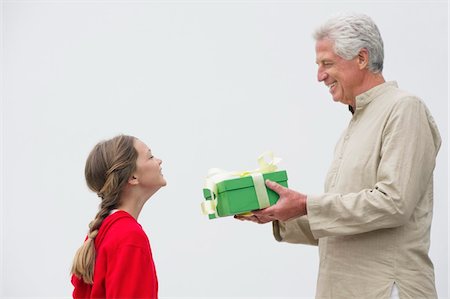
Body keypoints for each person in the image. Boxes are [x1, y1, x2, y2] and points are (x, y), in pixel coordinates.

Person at [236, 12, 441, 299]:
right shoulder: (353, 126)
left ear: (361, 58)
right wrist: (279, 214)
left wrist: (306, 204)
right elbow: (342, 224)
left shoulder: (404, 109)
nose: (319, 76)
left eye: (327, 63)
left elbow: (394, 203)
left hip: (385, 289)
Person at [70, 134, 166, 299]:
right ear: (132, 177)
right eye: (150, 156)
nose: (159, 160)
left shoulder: (102, 233)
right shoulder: (129, 237)